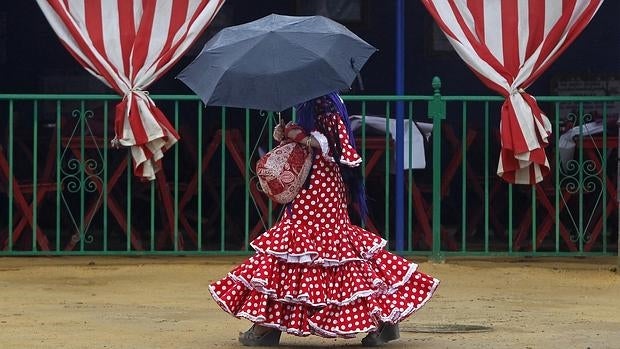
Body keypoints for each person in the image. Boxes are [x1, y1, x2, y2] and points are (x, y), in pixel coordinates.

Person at [209, 92, 439, 346]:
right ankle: (383, 320)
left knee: (299, 247)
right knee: (326, 250)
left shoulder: (323, 101)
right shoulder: (317, 99)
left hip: (319, 185)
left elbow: (334, 141)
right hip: (320, 184)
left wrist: (298, 135)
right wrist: (288, 132)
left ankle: (266, 327)